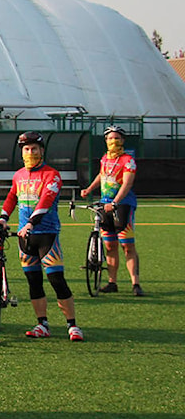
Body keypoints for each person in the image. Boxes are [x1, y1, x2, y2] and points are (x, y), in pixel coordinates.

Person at [0, 132, 84, 342]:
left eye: (34, 148)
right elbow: (11, 197)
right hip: (25, 237)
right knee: (33, 281)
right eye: (26, 149)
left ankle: (72, 325)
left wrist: (30, 224)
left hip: (46, 235)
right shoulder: (19, 175)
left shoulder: (52, 175)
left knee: (56, 279)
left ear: (42, 151)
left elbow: (46, 201)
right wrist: (3, 218)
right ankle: (42, 323)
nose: (30, 152)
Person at [80, 125, 144, 296]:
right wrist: (89, 189)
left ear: (122, 140)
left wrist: (116, 202)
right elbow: (102, 175)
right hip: (104, 204)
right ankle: (111, 282)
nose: (113, 141)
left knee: (127, 246)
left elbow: (127, 183)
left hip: (123, 205)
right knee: (109, 245)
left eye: (116, 138)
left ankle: (135, 284)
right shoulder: (105, 158)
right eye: (109, 138)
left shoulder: (127, 160)